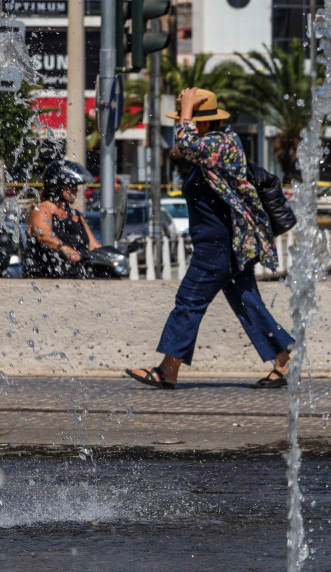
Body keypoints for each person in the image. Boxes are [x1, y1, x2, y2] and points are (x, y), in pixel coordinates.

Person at [126, 87, 293, 390]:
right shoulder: (215, 147)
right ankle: (284, 363)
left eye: (188, 120)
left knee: (189, 302)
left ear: (203, 123)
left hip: (218, 247)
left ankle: (168, 370)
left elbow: (184, 144)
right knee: (248, 303)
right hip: (226, 245)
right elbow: (187, 146)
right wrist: (187, 112)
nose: (183, 124)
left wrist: (187, 109)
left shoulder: (220, 143)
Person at [25, 160, 100, 278]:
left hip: (74, 277)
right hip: (43, 278)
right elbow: (44, 235)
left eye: (76, 186)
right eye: (70, 186)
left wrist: (107, 256)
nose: (75, 190)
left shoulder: (75, 215)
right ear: (56, 187)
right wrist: (66, 249)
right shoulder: (42, 209)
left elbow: (94, 246)